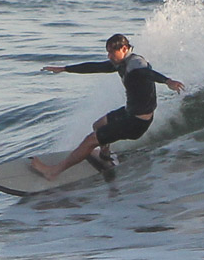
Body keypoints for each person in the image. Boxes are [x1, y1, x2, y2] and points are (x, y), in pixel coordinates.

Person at [31, 34, 184, 180]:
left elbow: (147, 73)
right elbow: (95, 67)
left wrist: (167, 81)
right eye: (108, 52)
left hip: (137, 122)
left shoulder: (136, 63)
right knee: (98, 125)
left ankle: (53, 172)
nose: (109, 56)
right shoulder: (122, 63)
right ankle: (105, 156)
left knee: (91, 140)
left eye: (112, 52)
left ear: (124, 49)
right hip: (129, 112)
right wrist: (65, 69)